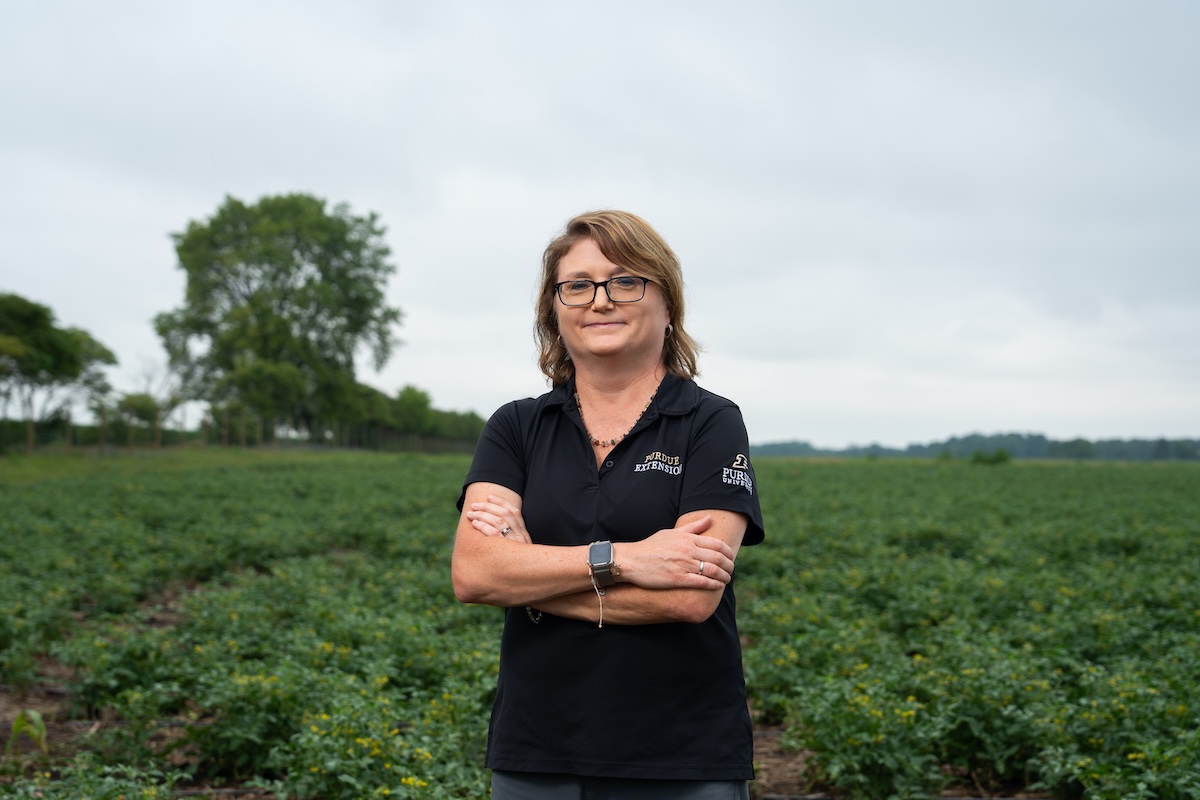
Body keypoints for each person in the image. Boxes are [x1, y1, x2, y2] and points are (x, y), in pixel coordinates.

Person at [452, 209, 765, 800]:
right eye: (578, 285)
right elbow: (474, 573)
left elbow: (691, 595)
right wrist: (623, 559)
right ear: (554, 308)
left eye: (625, 281)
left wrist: (531, 574)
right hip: (536, 751)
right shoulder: (516, 427)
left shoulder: (711, 423)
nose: (600, 300)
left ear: (667, 303)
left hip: (680, 756)